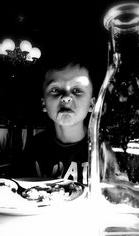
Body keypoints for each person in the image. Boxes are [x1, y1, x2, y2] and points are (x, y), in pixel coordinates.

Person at [14, 54, 97, 186]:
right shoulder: (35, 147)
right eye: (55, 90)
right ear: (43, 104)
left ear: (92, 104)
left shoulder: (103, 149)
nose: (66, 98)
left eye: (77, 90)